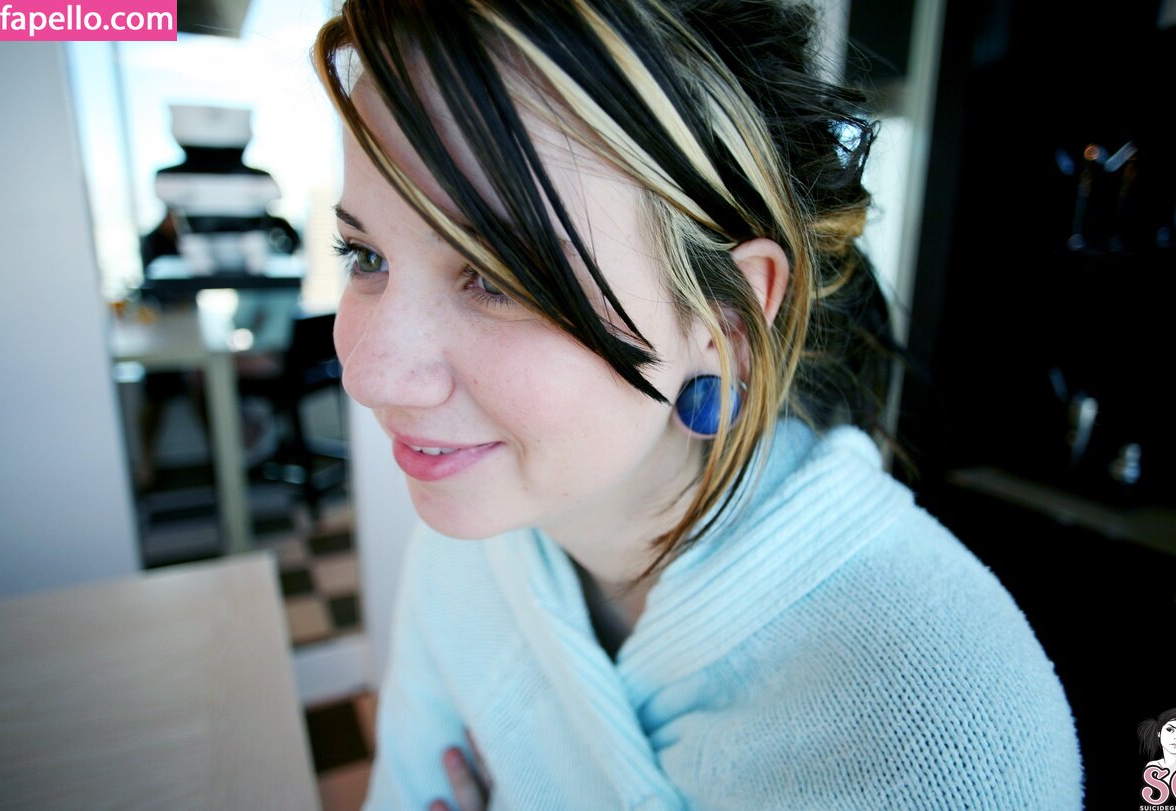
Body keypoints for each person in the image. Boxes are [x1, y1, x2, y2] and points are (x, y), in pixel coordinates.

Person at [313, 0, 1084, 807]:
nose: (369, 375)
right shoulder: (471, 547)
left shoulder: (944, 732)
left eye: (497, 276)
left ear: (724, 321)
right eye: (365, 256)